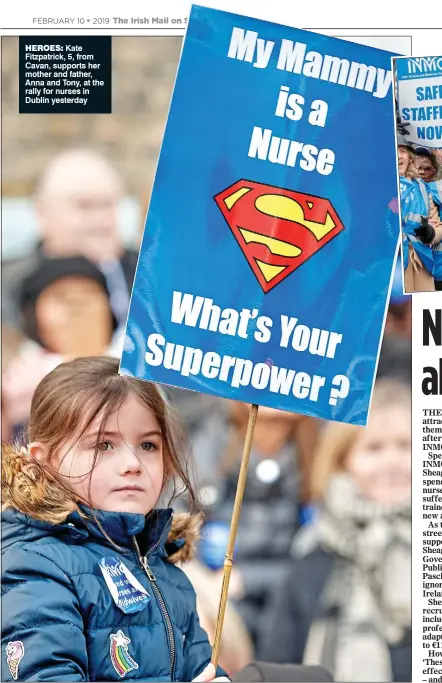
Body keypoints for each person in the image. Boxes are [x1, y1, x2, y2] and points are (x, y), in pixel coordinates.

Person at [1, 356, 229, 682]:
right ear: (44, 461)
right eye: (103, 445)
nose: (132, 464)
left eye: (148, 444)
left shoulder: (162, 566)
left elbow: (200, 670)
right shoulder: (31, 562)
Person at [258, 380, 411, 682]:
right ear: (342, 461)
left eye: (406, 446)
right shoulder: (313, 561)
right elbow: (278, 667)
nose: (392, 461)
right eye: (374, 448)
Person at [191, 401, 320, 644]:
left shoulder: (316, 451)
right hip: (217, 593)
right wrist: (204, 580)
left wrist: (248, 579)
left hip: (291, 601)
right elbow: (179, 521)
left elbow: (319, 558)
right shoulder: (212, 442)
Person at [2, 149, 138, 330]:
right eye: (84, 205)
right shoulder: (9, 284)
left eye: (108, 204)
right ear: (42, 213)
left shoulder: (149, 273)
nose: (101, 219)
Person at [398, 136, 440, 291]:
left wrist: (431, 233)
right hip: (396, 264)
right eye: (394, 151)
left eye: (402, 151)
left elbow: (437, 225)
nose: (398, 156)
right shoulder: (381, 186)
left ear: (410, 156)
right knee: (401, 313)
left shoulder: (422, 187)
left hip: (423, 261)